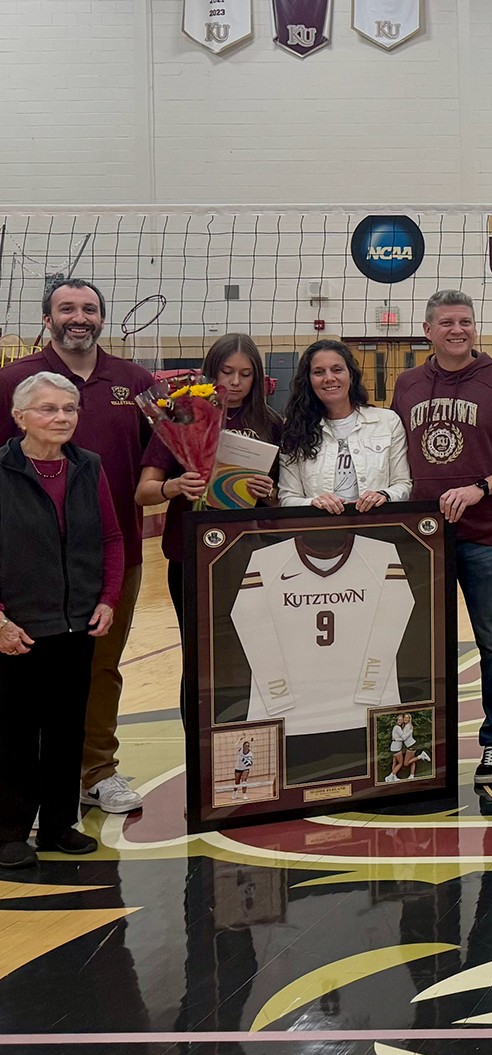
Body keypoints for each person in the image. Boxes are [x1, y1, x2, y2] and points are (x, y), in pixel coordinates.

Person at [0, 281, 154, 815]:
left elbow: (163, 457)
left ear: (103, 319)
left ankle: (97, 772)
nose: (79, 317)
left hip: (115, 553)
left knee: (100, 667)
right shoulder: (13, 382)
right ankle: (25, 784)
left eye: (89, 308)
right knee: (25, 679)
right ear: (47, 319)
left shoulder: (135, 381)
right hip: (28, 562)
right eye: (67, 308)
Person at [391, 290, 492, 785]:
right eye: (447, 322)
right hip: (420, 540)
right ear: (428, 330)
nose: (458, 329)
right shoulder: (408, 384)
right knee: (411, 644)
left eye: (466, 321)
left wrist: (481, 488)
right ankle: (411, 746)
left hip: (485, 537)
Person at [0, 372, 123, 868]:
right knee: (13, 733)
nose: (61, 418)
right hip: (18, 630)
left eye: (69, 409)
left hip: (77, 626)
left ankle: (56, 824)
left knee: (67, 729)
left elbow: (112, 540)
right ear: (20, 416)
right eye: (48, 409)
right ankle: (9, 830)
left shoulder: (88, 468)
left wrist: (108, 599)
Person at [134, 334, 281, 724]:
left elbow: (285, 498)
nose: (235, 382)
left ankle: (247, 740)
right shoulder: (181, 415)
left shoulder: (269, 423)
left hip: (252, 558)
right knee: (198, 657)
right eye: (227, 372)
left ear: (257, 378)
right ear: (210, 372)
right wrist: (175, 486)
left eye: (245, 374)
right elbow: (143, 492)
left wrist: (269, 492)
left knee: (250, 655)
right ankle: (197, 749)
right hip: (192, 557)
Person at [275, 340, 409, 511]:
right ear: (308, 380)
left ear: (351, 376)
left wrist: (384, 495)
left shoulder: (387, 422)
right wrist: (313, 503)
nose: (329, 378)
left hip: (377, 527)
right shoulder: (294, 431)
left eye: (337, 370)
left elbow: (403, 484)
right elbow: (287, 498)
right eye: (319, 372)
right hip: (322, 531)